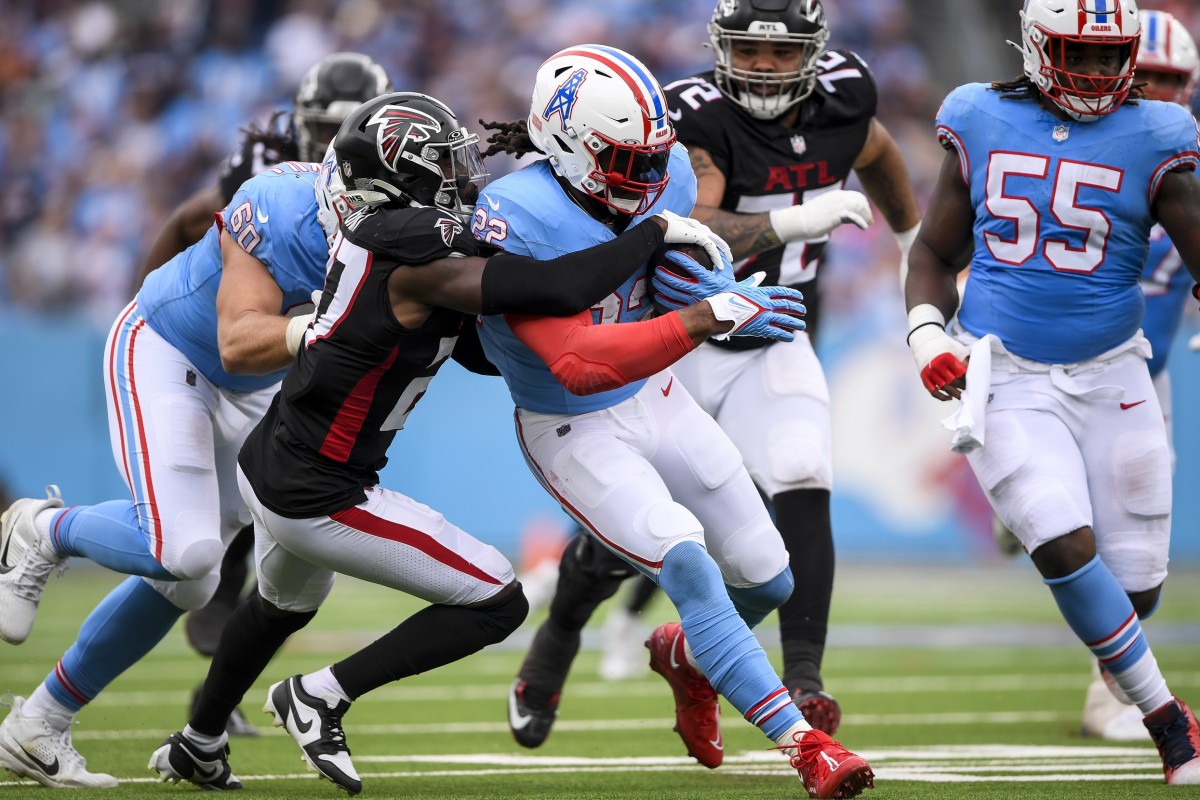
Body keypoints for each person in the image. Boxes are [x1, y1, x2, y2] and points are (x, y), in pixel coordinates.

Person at [148, 90, 740, 796]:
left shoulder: (386, 238)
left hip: (277, 459)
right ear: (396, 181)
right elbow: (554, 287)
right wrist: (651, 234)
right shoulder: (412, 248)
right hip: (320, 491)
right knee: (499, 600)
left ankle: (198, 742)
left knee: (279, 606)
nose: (463, 185)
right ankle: (320, 696)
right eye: (444, 170)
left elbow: (478, 351)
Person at [508, 0, 922, 740]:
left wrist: (914, 240)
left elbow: (879, 152)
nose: (763, 66)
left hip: (772, 328)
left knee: (800, 469)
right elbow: (689, 226)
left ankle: (803, 679)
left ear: (815, 52)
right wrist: (795, 221)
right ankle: (560, 633)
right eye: (748, 51)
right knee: (633, 533)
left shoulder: (845, 97)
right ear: (720, 47)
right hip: (683, 337)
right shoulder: (685, 116)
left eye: (780, 52)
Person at [0, 54, 390, 787]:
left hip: (254, 385)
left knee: (192, 575)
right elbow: (242, 337)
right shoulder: (277, 192)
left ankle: (38, 725)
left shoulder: (396, 227)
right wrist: (159, 295)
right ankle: (43, 528)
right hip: (175, 347)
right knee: (185, 554)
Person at [904, 0, 1200, 785]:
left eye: (1112, 57)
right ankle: (1171, 721)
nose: (1100, 74)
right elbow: (934, 250)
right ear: (1037, 47)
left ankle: (1123, 673)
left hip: (1114, 371)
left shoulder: (1158, 134)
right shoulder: (978, 115)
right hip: (1003, 369)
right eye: (1081, 54)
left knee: (1136, 582)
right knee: (1060, 538)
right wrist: (926, 333)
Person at [141, 51, 393, 739]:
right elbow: (198, 222)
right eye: (323, 126)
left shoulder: (390, 172)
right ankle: (217, 598)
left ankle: (217, 684)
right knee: (225, 511)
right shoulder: (272, 170)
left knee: (290, 497)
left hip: (314, 343)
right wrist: (151, 293)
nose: (333, 141)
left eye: (348, 127)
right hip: (265, 333)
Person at [1077, 7, 1199, 744]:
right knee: (1066, 524)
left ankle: (1111, 691)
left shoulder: (1186, 162)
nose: (1153, 91)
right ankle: (1117, 696)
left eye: (1169, 80)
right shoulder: (1071, 147)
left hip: (1139, 376)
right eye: (1141, 76)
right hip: (1050, 367)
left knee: (1138, 555)